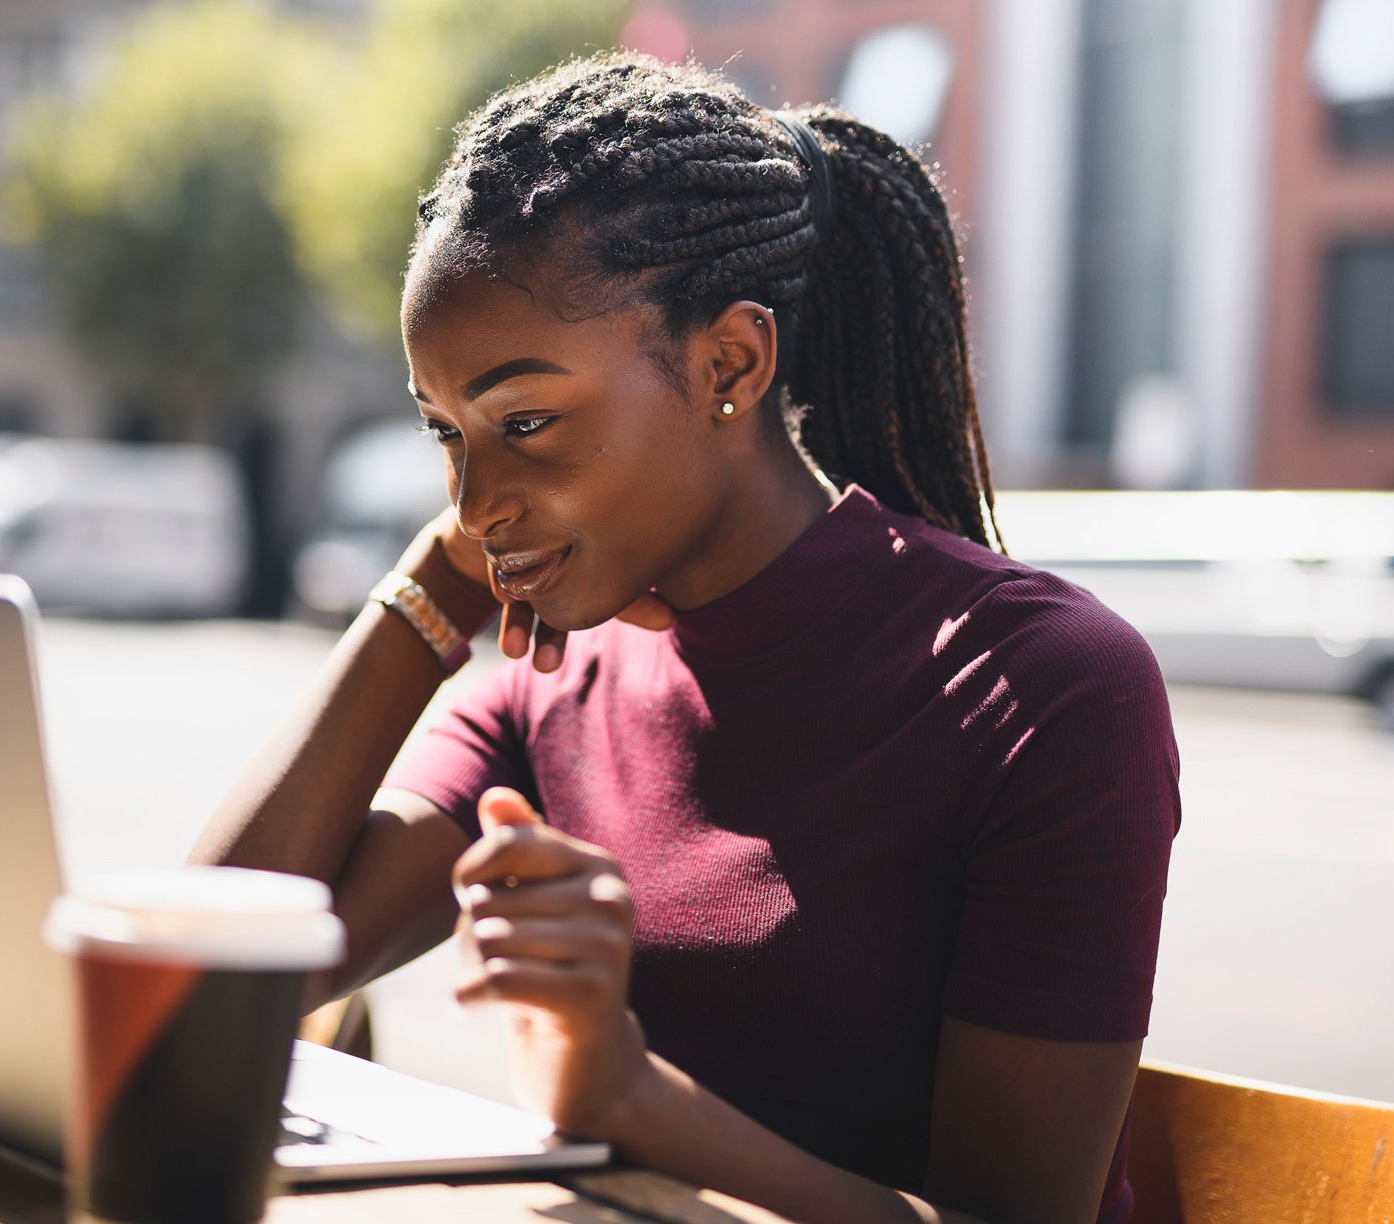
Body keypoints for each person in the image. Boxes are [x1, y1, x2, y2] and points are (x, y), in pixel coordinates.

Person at [192, 52, 1178, 1224]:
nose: (471, 501)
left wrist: (624, 1094)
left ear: (730, 364)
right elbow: (207, 983)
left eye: (526, 421)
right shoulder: (552, 685)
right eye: (445, 433)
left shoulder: (1039, 689)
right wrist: (426, 597)